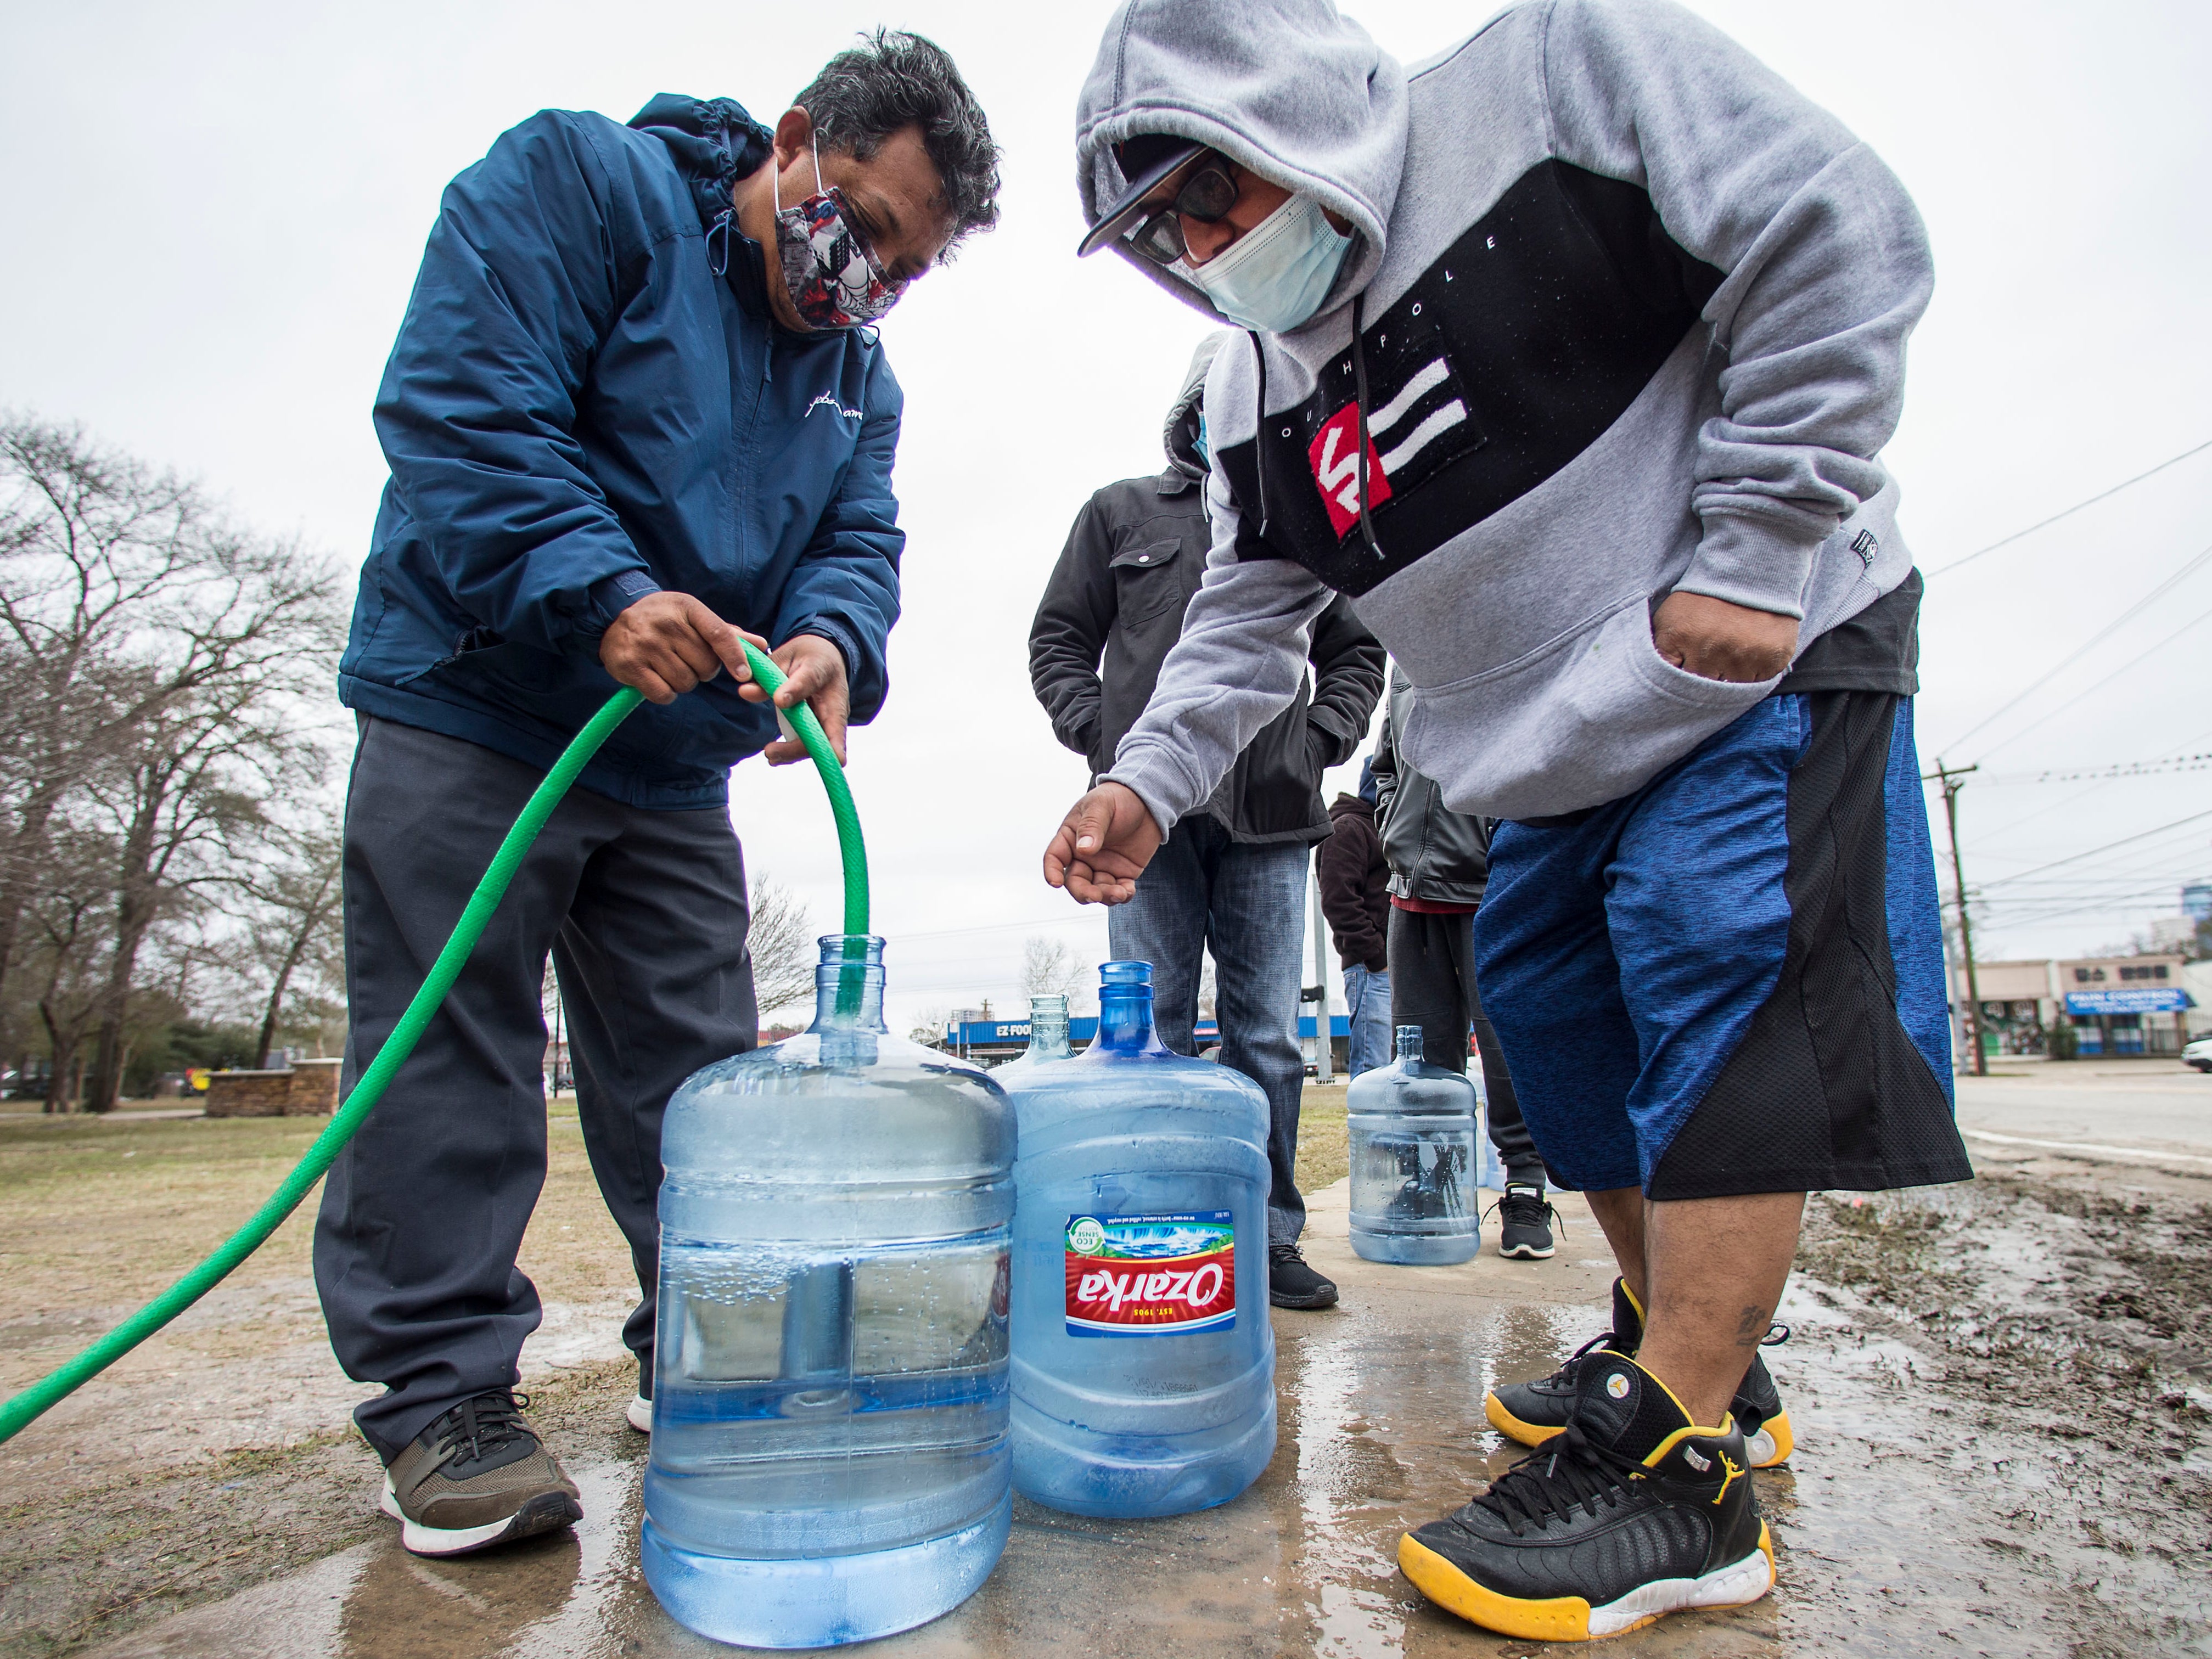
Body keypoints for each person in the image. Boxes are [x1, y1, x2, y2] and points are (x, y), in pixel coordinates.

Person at [1045, 0, 1968, 1639]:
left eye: (1206, 193)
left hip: (1747, 656)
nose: (1192, 250)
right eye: (1156, 231)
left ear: (1289, 119)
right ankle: (1696, 1354)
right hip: (1542, 753)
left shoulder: (1556, 74)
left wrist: (1758, 538)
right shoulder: (1259, 382)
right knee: (1541, 1012)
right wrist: (1140, 779)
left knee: (1716, 974)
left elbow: (1831, 226)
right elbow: (1244, 621)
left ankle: (1682, 1477)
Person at [322, 34, 1000, 1560]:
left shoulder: (856, 376)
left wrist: (837, 635)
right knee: (451, 1047)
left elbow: (858, 535)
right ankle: (444, 1404)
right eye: (865, 228)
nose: (866, 283)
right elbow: (466, 404)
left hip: (672, 755)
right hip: (479, 695)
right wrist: (599, 588)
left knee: (703, 1084)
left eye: (903, 270)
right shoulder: (581, 182)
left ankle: (703, 1349)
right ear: (795, 139)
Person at [1030, 332, 1385, 1309]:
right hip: (1146, 817)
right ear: (1189, 412)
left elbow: (1359, 652)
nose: (1217, 427)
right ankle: (1156, 1239)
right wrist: (1102, 736)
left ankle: (1268, 1237)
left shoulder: (1301, 508)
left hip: (1271, 816)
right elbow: (1058, 638)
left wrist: (1317, 740)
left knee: (1266, 1036)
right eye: (1205, 411)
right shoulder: (1119, 512)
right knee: (1146, 1031)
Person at [1370, 670, 1559, 1259]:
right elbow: (1386, 768)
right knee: (1421, 1059)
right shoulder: (1403, 671)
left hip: (1491, 891)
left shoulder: (1500, 643)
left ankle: (1525, 1190)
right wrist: (1391, 826)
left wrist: (1504, 846)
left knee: (1506, 1054)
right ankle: (1430, 1184)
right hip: (1412, 893)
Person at [1315, 758, 1391, 1078]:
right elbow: (1338, 900)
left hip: (1392, 967)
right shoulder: (1349, 828)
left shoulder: (1388, 830)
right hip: (1372, 969)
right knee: (1375, 1073)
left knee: (1395, 1074)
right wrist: (1376, 957)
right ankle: (1371, 1131)